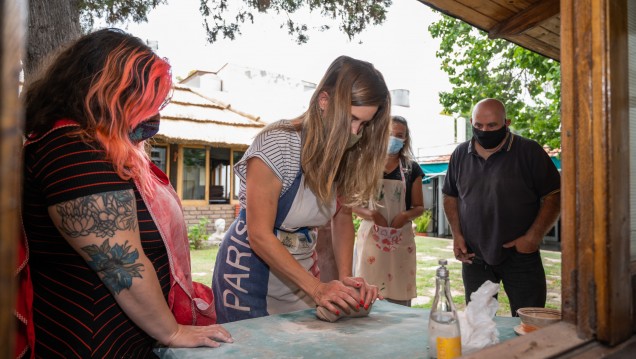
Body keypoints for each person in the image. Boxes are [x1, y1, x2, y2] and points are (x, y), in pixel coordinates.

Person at [21, 28, 232, 358]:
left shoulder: (89, 146)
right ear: (108, 93)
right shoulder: (73, 151)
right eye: (145, 103)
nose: (152, 116)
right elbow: (119, 264)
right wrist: (172, 331)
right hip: (89, 345)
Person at [212, 55, 390, 323]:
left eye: (363, 124)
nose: (355, 132)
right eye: (351, 119)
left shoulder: (345, 152)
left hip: (301, 273)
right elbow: (259, 234)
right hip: (249, 271)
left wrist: (344, 280)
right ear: (324, 101)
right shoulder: (276, 144)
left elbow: (341, 219)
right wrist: (318, 289)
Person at [442, 98, 561, 316]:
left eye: (492, 126)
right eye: (478, 126)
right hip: (474, 256)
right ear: (471, 122)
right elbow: (450, 195)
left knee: (529, 321)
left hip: (521, 256)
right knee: (479, 324)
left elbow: (555, 195)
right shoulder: (460, 154)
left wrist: (533, 238)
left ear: (507, 123)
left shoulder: (529, 151)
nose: (484, 131)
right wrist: (457, 234)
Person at [352, 115, 424, 307]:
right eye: (390, 134)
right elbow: (352, 204)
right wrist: (373, 215)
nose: (394, 139)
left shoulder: (412, 169)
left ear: (405, 139)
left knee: (400, 294)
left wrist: (405, 216)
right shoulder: (365, 165)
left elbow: (419, 206)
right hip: (372, 239)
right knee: (368, 294)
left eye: (399, 135)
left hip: (401, 239)